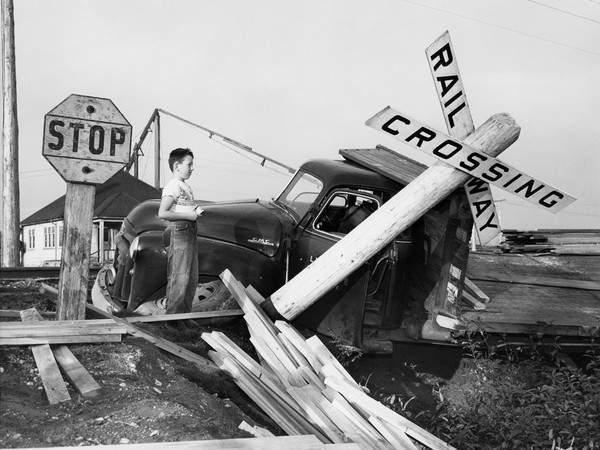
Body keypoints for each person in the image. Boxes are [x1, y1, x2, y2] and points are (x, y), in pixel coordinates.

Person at [158, 148, 203, 324]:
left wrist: (195, 212)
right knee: (179, 277)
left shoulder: (186, 187)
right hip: (180, 233)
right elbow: (163, 213)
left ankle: (184, 317)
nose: (192, 168)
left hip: (190, 233)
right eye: (189, 164)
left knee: (191, 278)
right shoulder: (172, 186)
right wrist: (188, 216)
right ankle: (172, 321)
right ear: (177, 165)